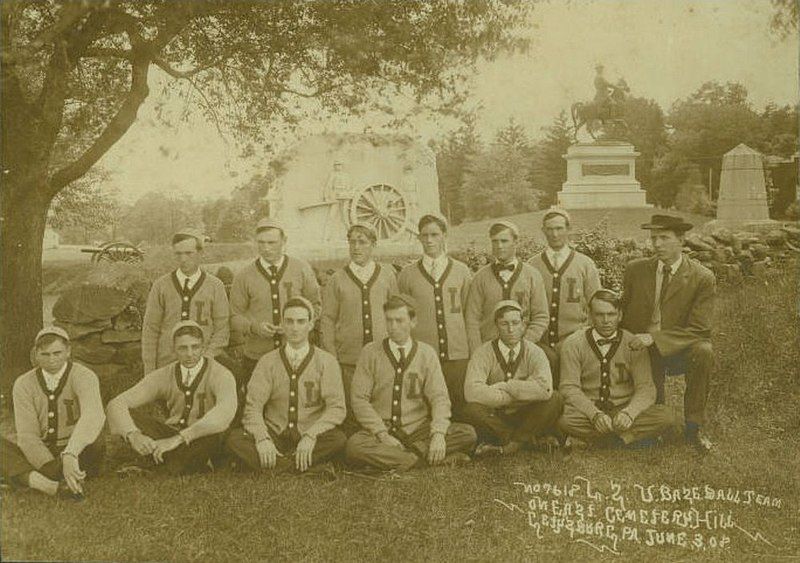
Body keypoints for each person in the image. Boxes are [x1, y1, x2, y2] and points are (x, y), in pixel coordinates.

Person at [345, 295, 477, 471]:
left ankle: (402, 458)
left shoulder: (426, 353)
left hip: (417, 430)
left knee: (467, 433)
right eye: (389, 321)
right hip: (382, 430)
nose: (393, 327)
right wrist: (382, 434)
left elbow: (439, 397)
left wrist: (438, 433)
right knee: (354, 446)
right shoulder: (370, 352)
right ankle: (422, 460)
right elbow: (359, 399)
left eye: (399, 320)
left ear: (413, 322)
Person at [620, 214, 715, 452]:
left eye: (664, 238)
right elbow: (623, 306)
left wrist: (655, 338)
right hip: (640, 348)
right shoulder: (636, 270)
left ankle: (694, 427)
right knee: (648, 361)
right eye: (653, 238)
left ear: (681, 240)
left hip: (677, 349)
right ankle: (655, 426)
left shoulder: (701, 277)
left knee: (703, 351)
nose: (657, 244)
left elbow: (700, 328)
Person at [226, 297, 346, 472]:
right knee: (235, 440)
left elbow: (337, 408)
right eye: (289, 321)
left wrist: (311, 435)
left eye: (301, 321)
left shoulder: (327, 361)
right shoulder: (267, 361)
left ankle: (277, 464)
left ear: (311, 324)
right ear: (282, 324)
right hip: (275, 433)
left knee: (339, 439)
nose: (295, 327)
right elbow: (253, 406)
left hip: (310, 432)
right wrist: (262, 438)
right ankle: (304, 467)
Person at [107, 321, 238, 475]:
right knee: (130, 415)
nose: (189, 354)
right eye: (183, 348)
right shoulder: (165, 374)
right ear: (173, 350)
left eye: (195, 347)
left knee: (213, 434)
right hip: (172, 434)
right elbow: (116, 404)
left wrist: (178, 439)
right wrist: (133, 434)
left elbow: (224, 414)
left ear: (203, 347)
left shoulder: (221, 374)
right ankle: (175, 462)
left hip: (203, 436)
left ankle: (158, 463)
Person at [559, 289, 675, 448]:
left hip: (623, 409)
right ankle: (624, 440)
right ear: (590, 315)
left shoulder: (633, 343)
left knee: (665, 416)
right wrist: (594, 415)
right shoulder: (573, 343)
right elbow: (569, 387)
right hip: (590, 411)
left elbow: (646, 388)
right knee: (563, 419)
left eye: (611, 314)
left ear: (620, 315)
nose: (606, 320)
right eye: (599, 314)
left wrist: (630, 413)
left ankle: (601, 440)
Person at [1, 327, 105, 498]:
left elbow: (93, 415)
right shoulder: (23, 384)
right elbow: (28, 436)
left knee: (96, 436)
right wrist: (48, 466)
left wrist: (70, 453)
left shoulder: (84, 376)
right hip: (43, 455)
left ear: (68, 351)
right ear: (35, 354)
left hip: (79, 451)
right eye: (45, 354)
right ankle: (48, 485)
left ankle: (24, 477)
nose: (52, 360)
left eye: (57, 353)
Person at [320, 223, 398, 427]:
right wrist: (332, 355)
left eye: (362, 242)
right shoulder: (337, 279)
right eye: (352, 242)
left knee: (382, 403)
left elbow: (397, 313)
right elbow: (327, 319)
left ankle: (382, 438)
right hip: (349, 358)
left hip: (383, 355)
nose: (356, 247)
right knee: (353, 406)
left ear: (373, 244)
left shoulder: (387, 275)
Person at [462, 301, 563, 456]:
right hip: (496, 415)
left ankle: (510, 445)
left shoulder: (534, 352)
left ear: (523, 325)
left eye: (515, 323)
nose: (510, 330)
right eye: (504, 324)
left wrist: (507, 386)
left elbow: (545, 389)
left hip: (525, 413)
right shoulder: (482, 353)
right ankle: (525, 440)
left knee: (555, 399)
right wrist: (517, 395)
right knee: (472, 409)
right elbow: (472, 392)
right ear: (496, 325)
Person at [230, 218, 321, 385]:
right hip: (257, 356)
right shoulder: (244, 276)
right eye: (261, 243)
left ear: (284, 241)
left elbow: (315, 305)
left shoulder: (301, 268)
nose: (266, 248)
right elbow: (234, 316)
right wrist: (254, 327)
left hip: (296, 354)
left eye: (272, 242)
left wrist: (299, 326)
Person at [398, 213, 472, 416]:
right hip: (423, 353)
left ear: (444, 236)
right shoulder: (407, 274)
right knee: (426, 403)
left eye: (434, 234)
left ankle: (459, 443)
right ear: (419, 238)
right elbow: (404, 319)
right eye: (424, 235)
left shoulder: (461, 271)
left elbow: (469, 313)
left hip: (457, 354)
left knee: (458, 403)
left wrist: (471, 351)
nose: (429, 240)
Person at [141, 228, 230, 374]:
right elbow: (151, 330)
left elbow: (222, 329)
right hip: (167, 364)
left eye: (189, 253)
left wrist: (206, 359)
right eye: (178, 254)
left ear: (200, 253)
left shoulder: (215, 286)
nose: (183, 259)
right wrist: (150, 370)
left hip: (204, 362)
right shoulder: (161, 285)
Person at [529, 209, 601, 386]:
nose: (554, 234)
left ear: (569, 229)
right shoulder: (532, 264)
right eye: (550, 229)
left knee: (572, 387)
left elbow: (597, 305)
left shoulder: (585, 264)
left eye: (559, 228)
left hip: (574, 341)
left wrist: (585, 334)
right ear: (543, 231)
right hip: (541, 344)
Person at [464, 220, 552, 364]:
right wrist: (478, 353)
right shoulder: (480, 277)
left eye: (504, 241)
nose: (499, 246)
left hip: (525, 352)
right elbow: (472, 320)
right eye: (495, 241)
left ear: (515, 242)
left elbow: (541, 317)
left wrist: (524, 344)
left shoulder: (532, 275)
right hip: (489, 353)